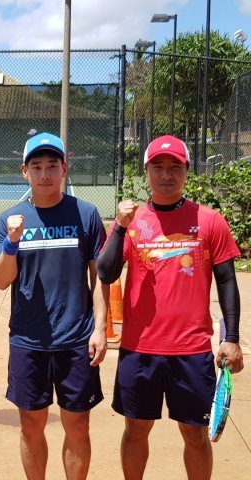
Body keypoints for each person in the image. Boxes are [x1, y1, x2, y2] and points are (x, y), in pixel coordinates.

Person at [96, 134, 244, 480]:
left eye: (174, 167)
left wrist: (232, 337)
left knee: (194, 434)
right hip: (139, 348)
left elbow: (226, 280)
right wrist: (118, 226)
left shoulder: (209, 221)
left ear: (187, 171)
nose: (166, 174)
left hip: (191, 350)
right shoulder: (132, 223)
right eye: (158, 167)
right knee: (136, 429)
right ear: (146, 171)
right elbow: (106, 272)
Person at [0, 132, 108, 480]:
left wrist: (100, 327)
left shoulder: (86, 214)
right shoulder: (9, 219)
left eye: (52, 166)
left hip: (76, 340)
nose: (44, 174)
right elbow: (0, 279)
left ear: (64, 169)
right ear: (24, 172)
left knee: (78, 426)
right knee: (30, 426)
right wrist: (12, 242)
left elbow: (99, 277)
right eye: (37, 167)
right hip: (28, 341)